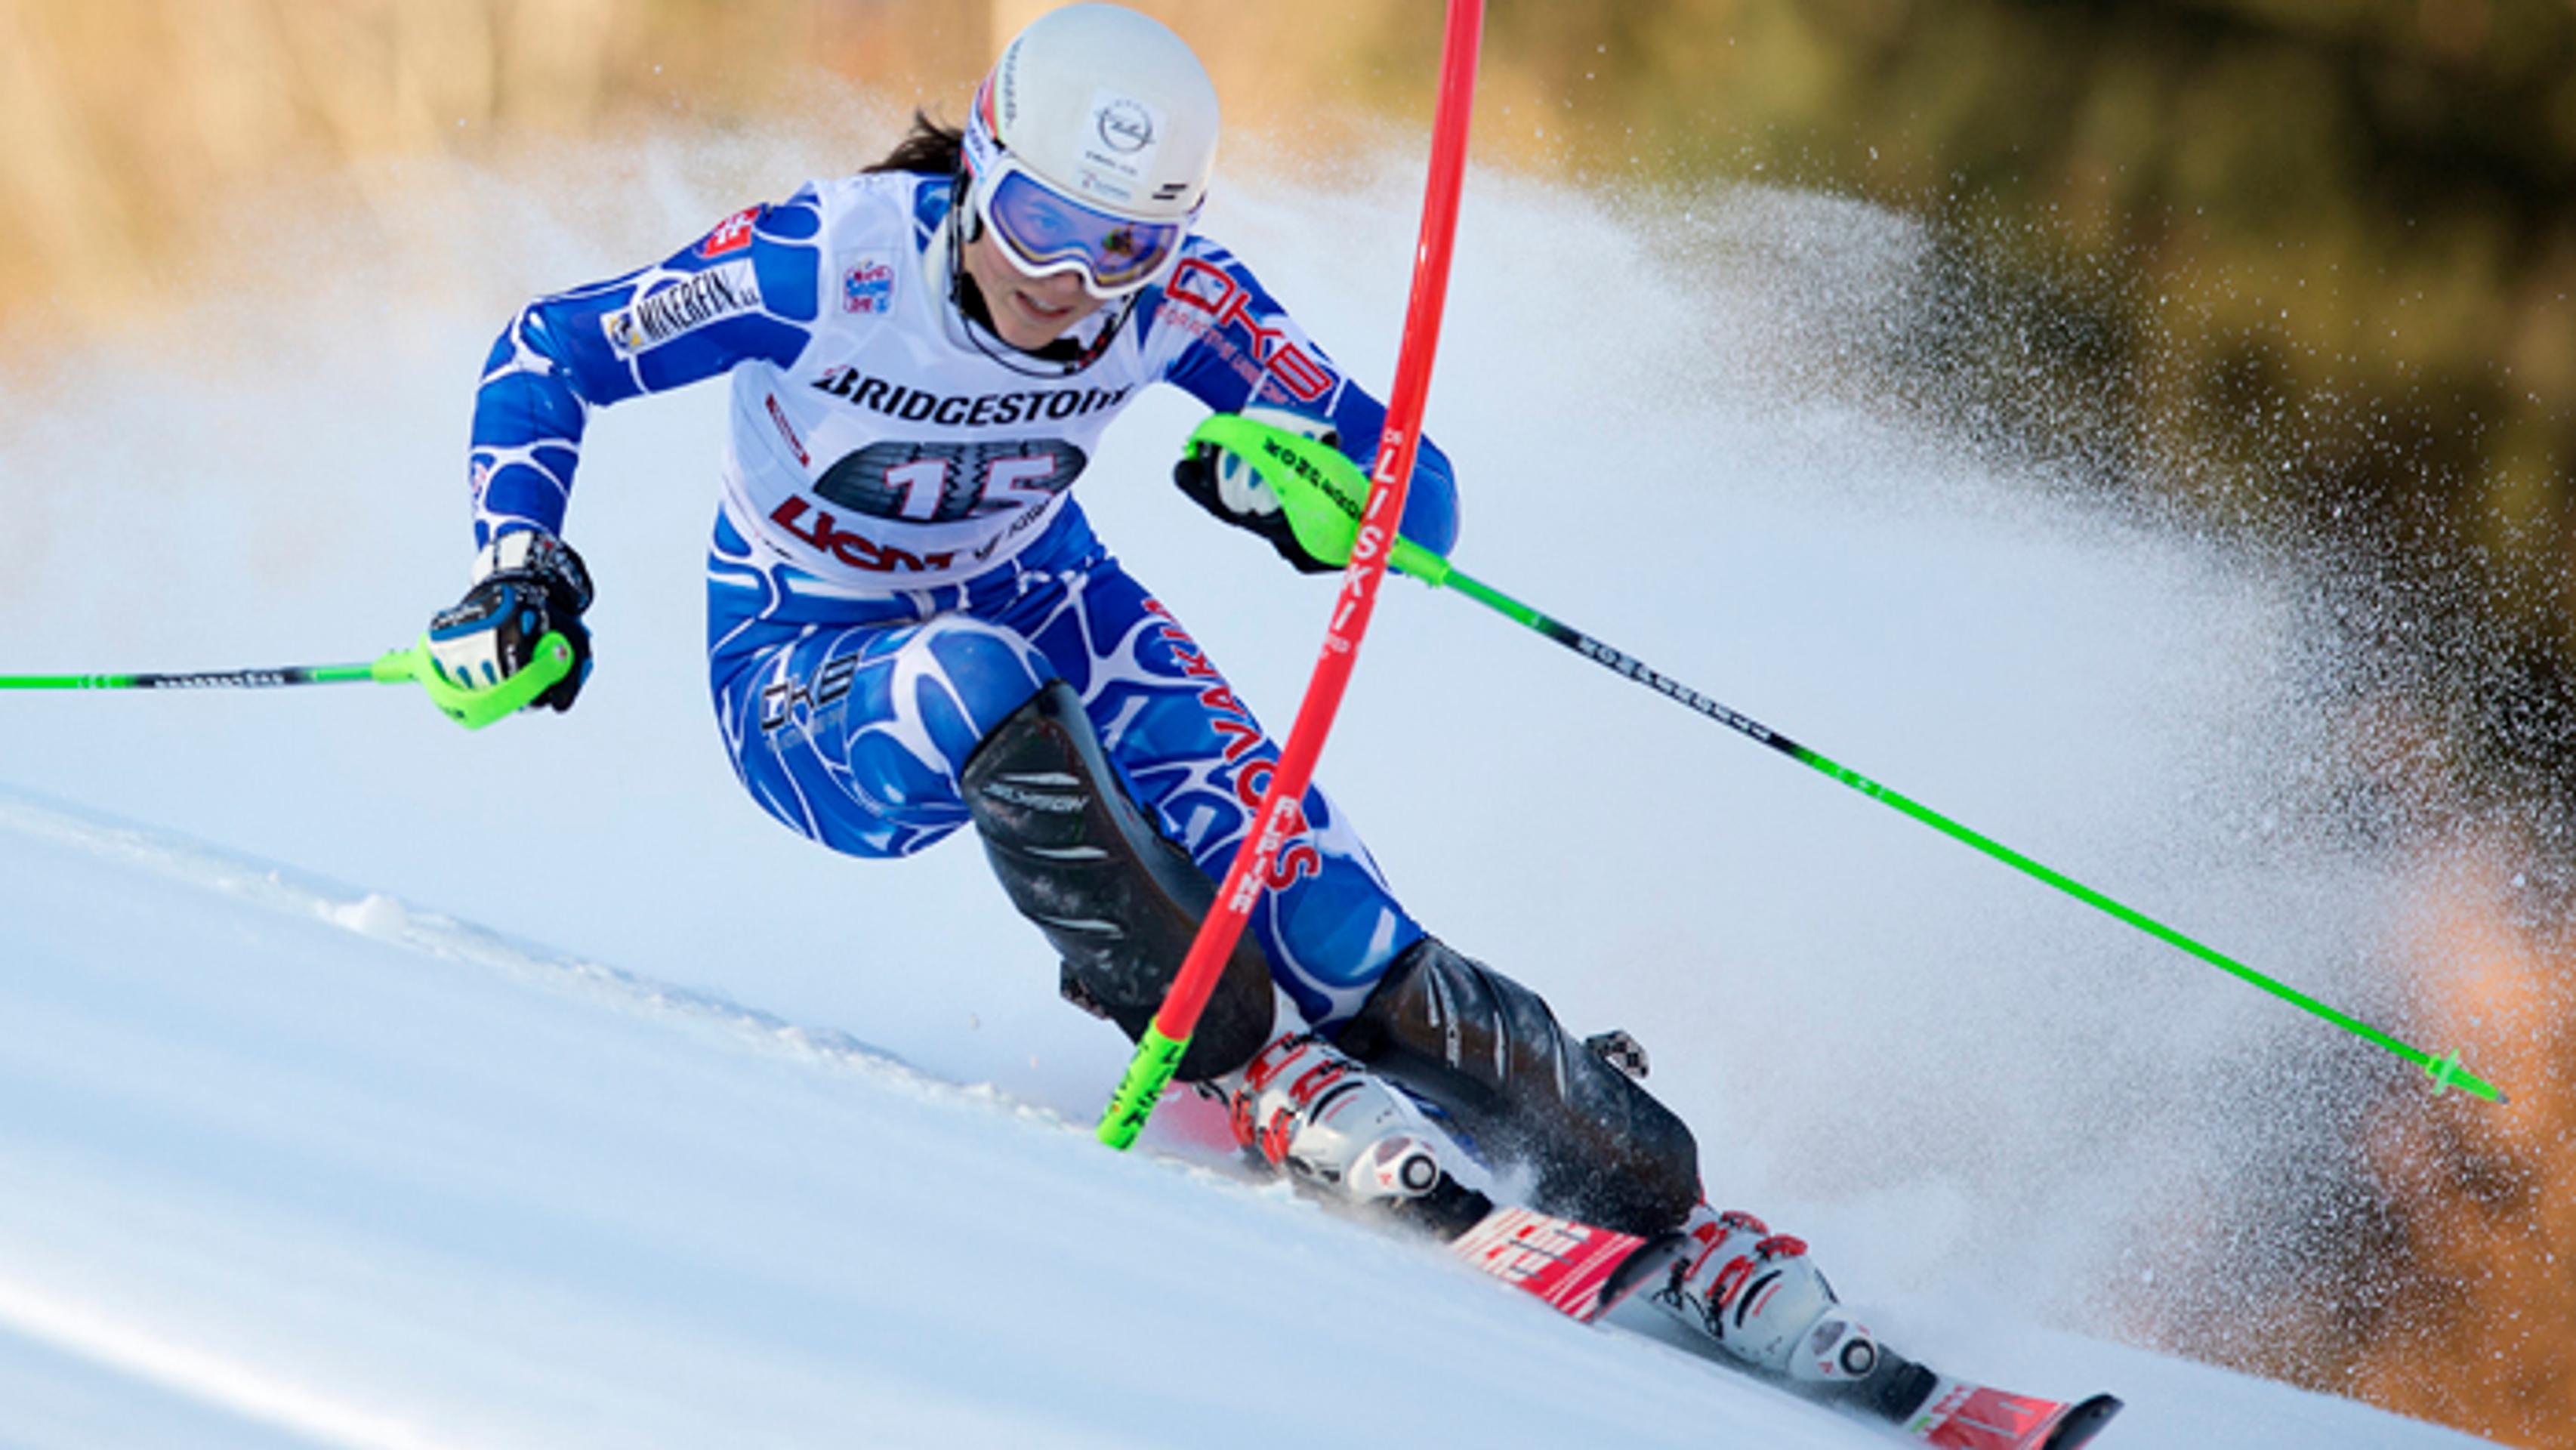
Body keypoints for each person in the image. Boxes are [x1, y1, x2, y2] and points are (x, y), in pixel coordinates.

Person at [424, 1, 1881, 1401]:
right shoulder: (830, 256)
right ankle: (1234, 1051)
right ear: (981, 169)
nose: (1071, 280)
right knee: (971, 683)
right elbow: (551, 352)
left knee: (1326, 915)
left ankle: (1630, 1174)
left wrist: (1302, 493)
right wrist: (521, 568)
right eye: (1046, 222)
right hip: (808, 663)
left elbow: (1414, 495)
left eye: (1124, 244)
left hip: (1054, 594)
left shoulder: (1176, 299)